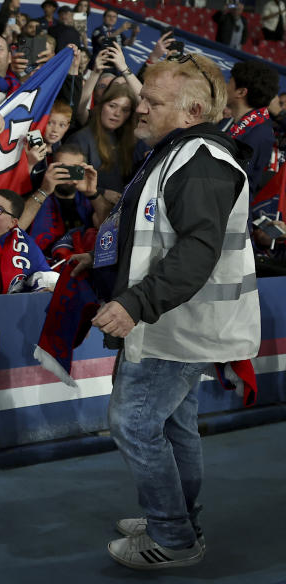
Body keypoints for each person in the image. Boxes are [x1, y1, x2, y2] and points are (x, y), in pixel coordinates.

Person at [67, 52, 259, 570]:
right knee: (174, 425)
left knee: (132, 421)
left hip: (179, 323)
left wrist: (134, 303)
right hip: (175, 321)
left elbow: (198, 250)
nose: (139, 109)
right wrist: (103, 258)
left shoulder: (200, 162)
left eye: (153, 101)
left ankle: (172, 535)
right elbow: (156, 229)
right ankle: (176, 517)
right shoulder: (178, 154)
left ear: (193, 109)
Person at [21, 144, 106, 262]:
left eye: (74, 169)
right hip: (42, 265)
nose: (68, 175)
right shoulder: (36, 195)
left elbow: (110, 230)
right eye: (63, 169)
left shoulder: (89, 200)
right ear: (50, 168)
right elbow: (16, 227)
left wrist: (93, 194)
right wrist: (44, 191)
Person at [0, 189, 51, 295]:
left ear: (12, 222)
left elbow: (46, 275)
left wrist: (46, 287)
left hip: (11, 308)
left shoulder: (26, 244)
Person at [67, 82, 137, 193]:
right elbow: (70, 182)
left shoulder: (124, 140)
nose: (117, 113)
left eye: (125, 110)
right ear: (101, 105)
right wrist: (101, 192)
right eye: (112, 106)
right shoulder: (80, 139)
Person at [223, 60, 278, 202]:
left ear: (241, 92)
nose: (226, 86)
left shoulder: (258, 134)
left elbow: (234, 184)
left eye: (230, 82)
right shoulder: (234, 120)